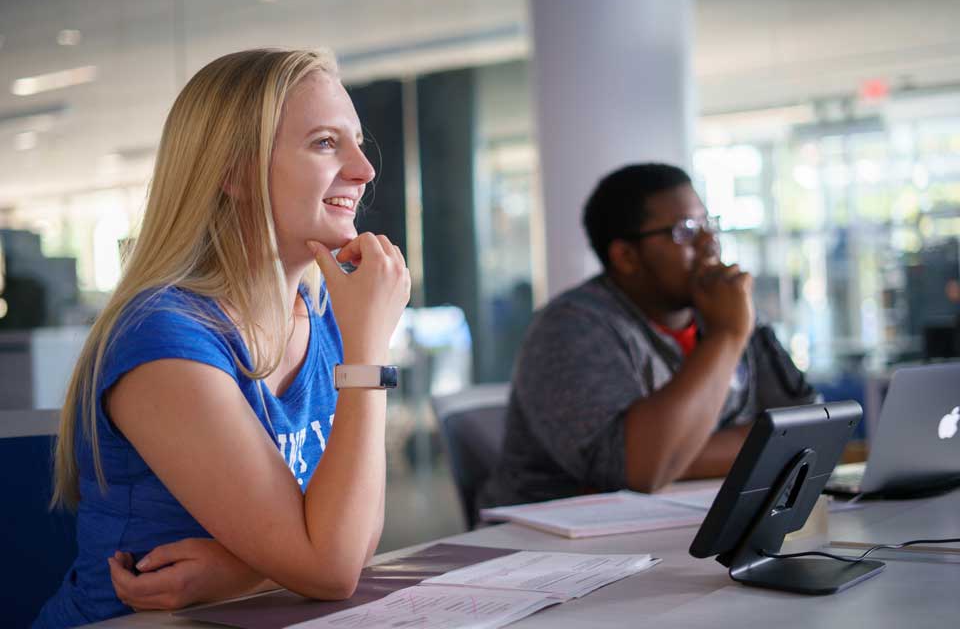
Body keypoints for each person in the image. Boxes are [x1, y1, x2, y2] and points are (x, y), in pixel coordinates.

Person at [34, 48, 410, 627]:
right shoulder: (162, 338)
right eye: (326, 143)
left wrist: (239, 571)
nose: (364, 169)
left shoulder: (322, 316)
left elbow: (355, 540)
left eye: (356, 141)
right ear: (233, 172)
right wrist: (368, 354)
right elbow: (334, 568)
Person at [479, 163, 816, 509]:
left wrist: (674, 451)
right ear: (626, 256)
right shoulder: (570, 327)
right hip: (549, 545)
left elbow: (809, 429)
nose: (709, 243)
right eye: (685, 230)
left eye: (707, 224)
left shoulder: (724, 307)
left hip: (683, 519)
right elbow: (635, 470)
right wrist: (726, 337)